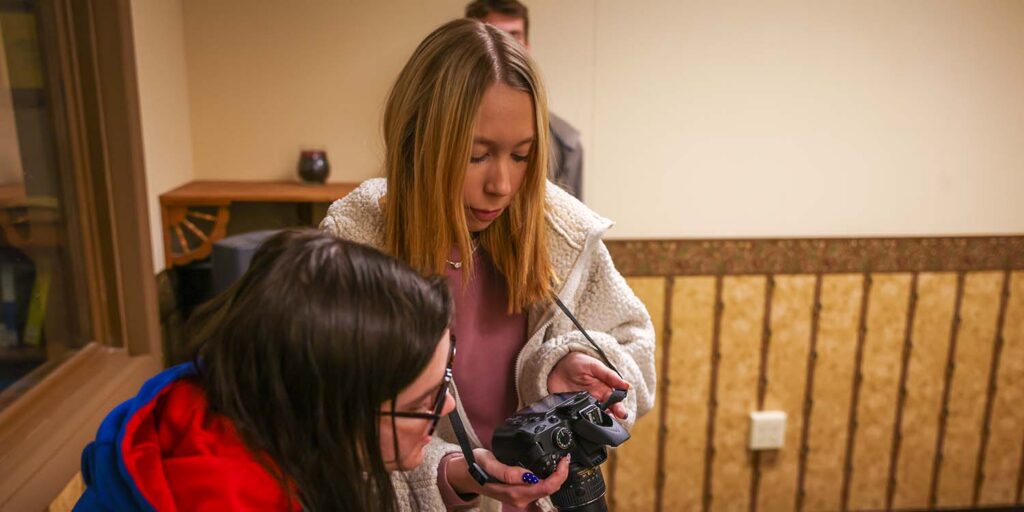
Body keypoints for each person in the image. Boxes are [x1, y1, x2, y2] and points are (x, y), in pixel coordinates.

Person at [320, 19, 655, 511]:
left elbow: (635, 354)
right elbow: (336, 420)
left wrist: (565, 363)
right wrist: (458, 472)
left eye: (522, 156)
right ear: (420, 141)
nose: (502, 184)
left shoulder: (559, 230)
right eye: (477, 156)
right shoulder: (357, 243)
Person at [73, 230, 456, 512]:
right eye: (424, 401)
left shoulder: (219, 411)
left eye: (444, 384)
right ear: (324, 411)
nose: (448, 405)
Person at [465, 0, 584, 201]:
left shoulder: (566, 143)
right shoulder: (434, 124)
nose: (505, 46)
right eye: (477, 156)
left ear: (527, 45)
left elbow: (571, 225)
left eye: (520, 156)